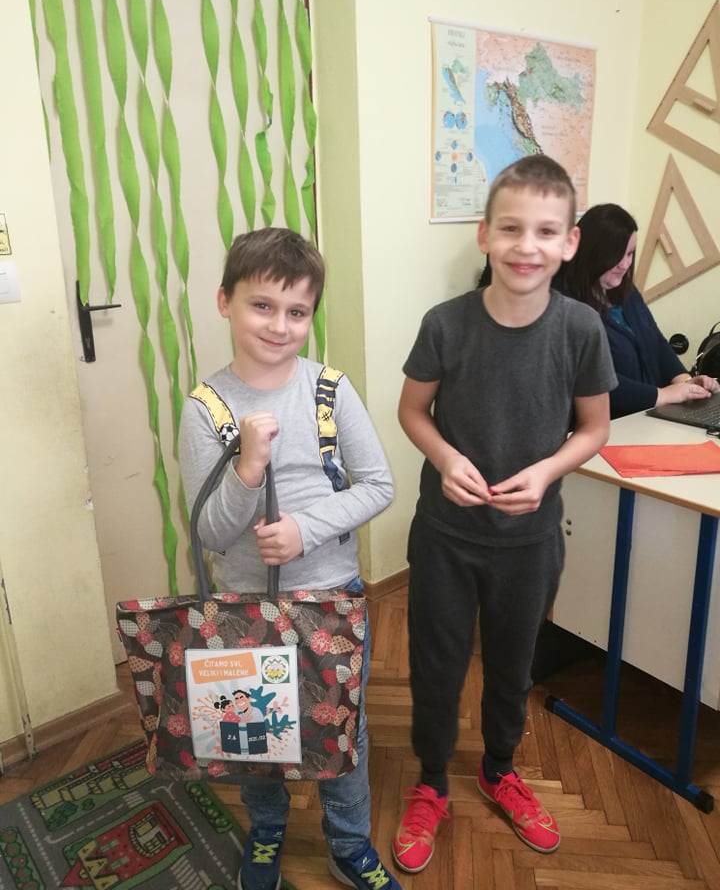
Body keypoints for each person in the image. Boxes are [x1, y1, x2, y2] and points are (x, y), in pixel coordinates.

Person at [392, 155, 617, 874]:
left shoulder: (582, 328)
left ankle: (498, 769)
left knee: (513, 665)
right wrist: (444, 457)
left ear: (570, 242)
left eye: (546, 231)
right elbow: (412, 410)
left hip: (530, 541)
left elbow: (593, 428)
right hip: (445, 538)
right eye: (512, 229)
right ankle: (431, 781)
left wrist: (548, 470)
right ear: (485, 234)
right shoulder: (445, 323)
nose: (528, 246)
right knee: (436, 664)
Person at [178, 227, 401, 890]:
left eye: (297, 311)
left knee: (342, 728)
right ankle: (268, 830)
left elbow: (378, 484)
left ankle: (349, 842)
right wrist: (248, 467)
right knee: (250, 730)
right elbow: (212, 532)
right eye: (262, 305)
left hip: (332, 595)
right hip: (245, 604)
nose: (280, 326)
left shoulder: (330, 388)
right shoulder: (206, 408)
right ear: (225, 301)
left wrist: (305, 529)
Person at [557, 203, 719, 418]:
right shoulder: (563, 305)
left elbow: (656, 342)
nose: (625, 265)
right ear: (592, 253)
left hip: (649, 413)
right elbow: (591, 378)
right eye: (618, 255)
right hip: (611, 422)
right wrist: (663, 395)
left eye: (630, 254)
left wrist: (686, 382)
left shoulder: (626, 291)